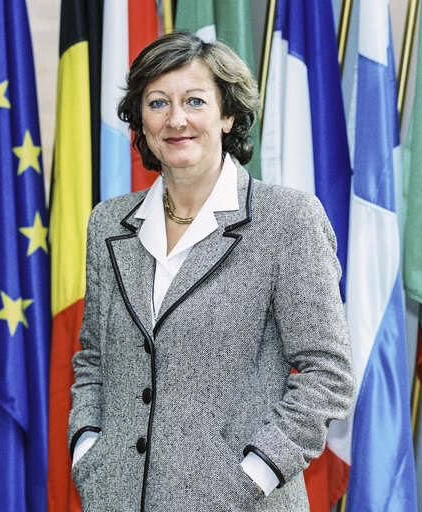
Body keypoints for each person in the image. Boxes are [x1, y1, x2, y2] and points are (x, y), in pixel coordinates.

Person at [69, 33, 354, 511]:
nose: (176, 119)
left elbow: (329, 373)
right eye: (158, 102)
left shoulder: (287, 219)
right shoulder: (108, 223)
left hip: (239, 502)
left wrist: (250, 477)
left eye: (194, 101)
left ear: (227, 116)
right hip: (116, 499)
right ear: (141, 120)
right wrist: (88, 451)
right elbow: (94, 358)